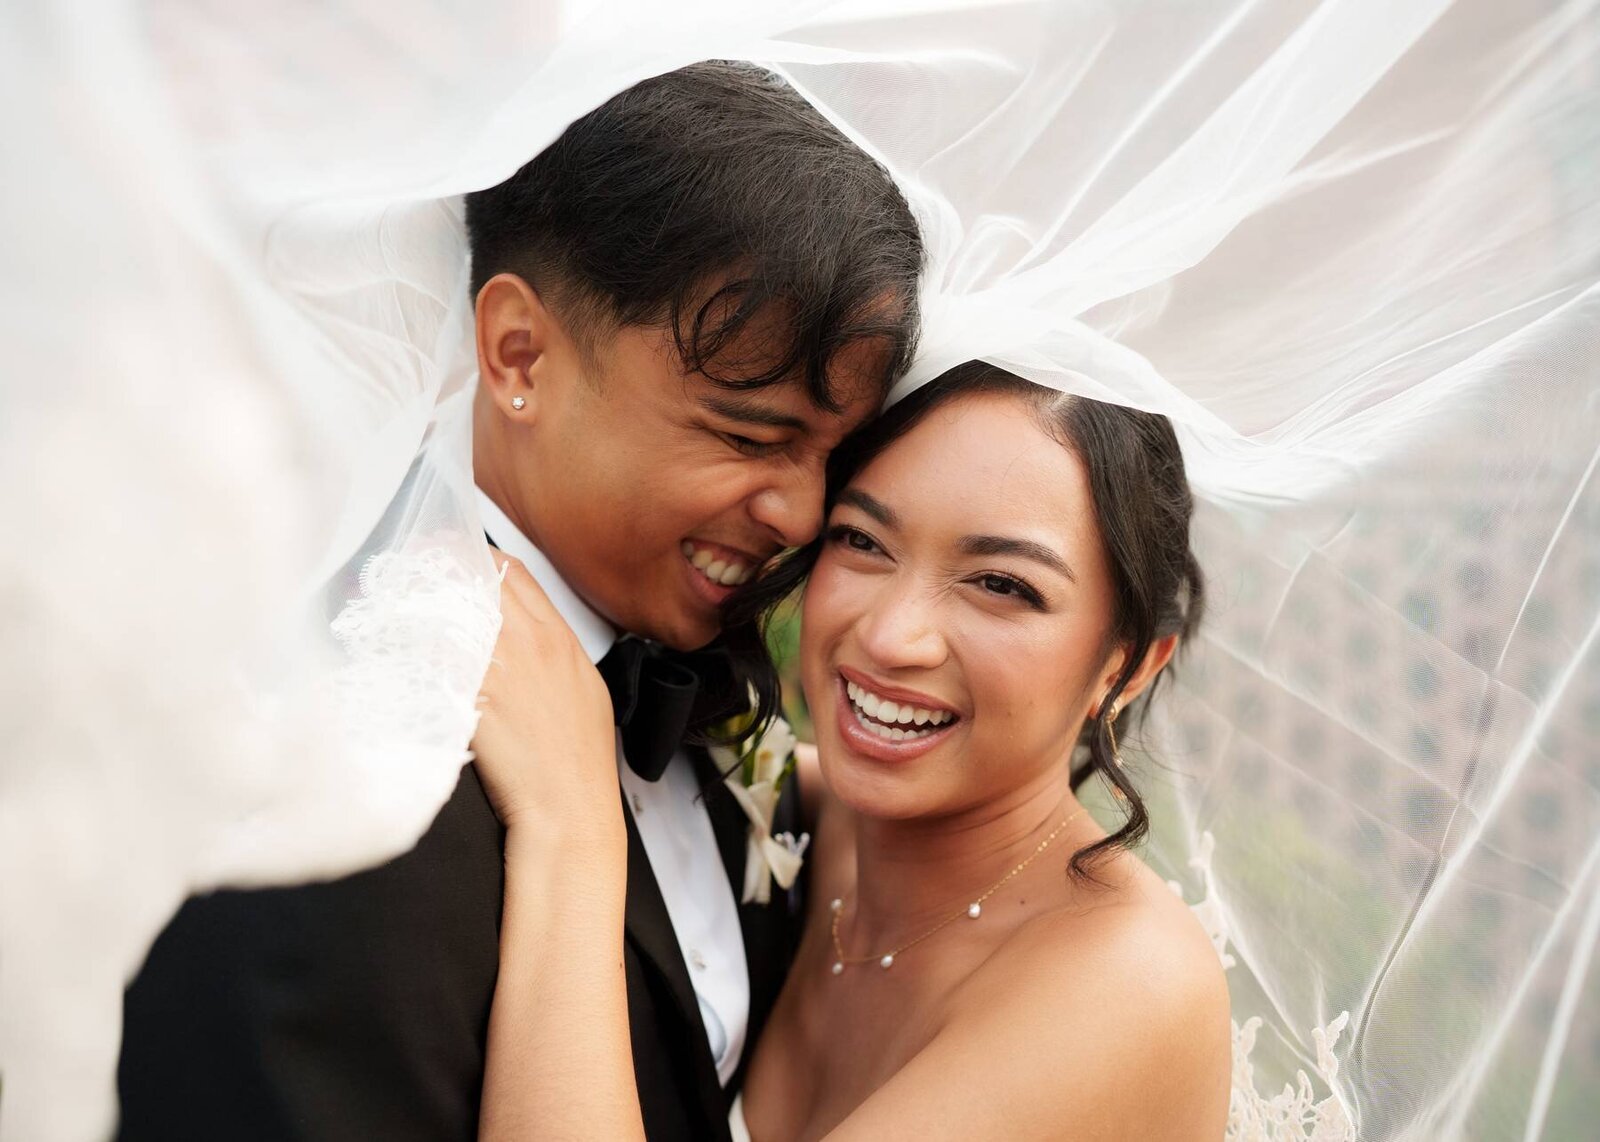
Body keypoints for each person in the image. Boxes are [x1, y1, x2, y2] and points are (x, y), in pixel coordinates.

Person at [115, 61, 922, 1142]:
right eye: (749, 434)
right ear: (519, 354)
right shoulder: (343, 796)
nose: (801, 510)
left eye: (831, 453)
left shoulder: (711, 674)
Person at [474, 362, 1234, 1139]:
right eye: (861, 539)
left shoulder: (1128, 981)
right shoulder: (805, 816)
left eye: (1001, 585)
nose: (888, 636)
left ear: (1128, 664)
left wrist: (571, 830)